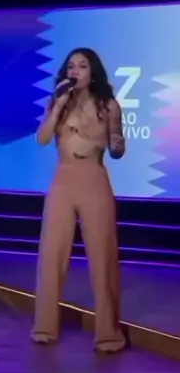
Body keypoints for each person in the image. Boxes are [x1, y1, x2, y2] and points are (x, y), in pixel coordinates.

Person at [31, 48, 126, 354]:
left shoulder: (108, 105)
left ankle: (108, 334)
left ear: (92, 71)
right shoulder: (58, 101)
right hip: (63, 180)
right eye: (71, 66)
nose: (75, 71)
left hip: (93, 179)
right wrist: (58, 105)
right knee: (51, 254)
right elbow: (42, 139)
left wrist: (117, 144)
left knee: (102, 256)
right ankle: (45, 327)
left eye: (82, 66)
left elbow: (117, 147)